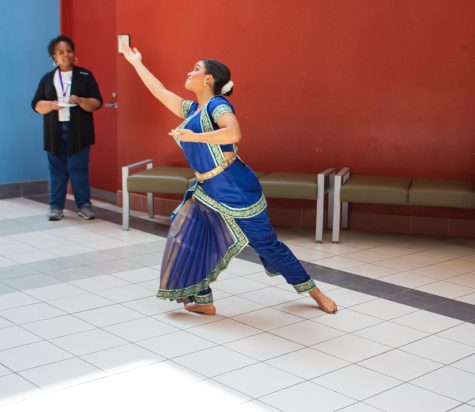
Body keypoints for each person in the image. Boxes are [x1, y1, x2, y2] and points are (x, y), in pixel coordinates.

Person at [122, 45, 337, 315]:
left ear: (209, 79)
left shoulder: (217, 105)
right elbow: (160, 92)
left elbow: (233, 133)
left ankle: (315, 292)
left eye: (196, 69)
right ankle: (203, 301)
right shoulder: (192, 110)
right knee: (186, 234)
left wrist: (195, 137)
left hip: (236, 190)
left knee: (268, 246)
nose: (190, 72)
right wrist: (136, 63)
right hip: (208, 189)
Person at [32, 35, 102, 221]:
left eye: (69, 51)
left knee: (78, 169)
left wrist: (79, 100)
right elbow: (36, 105)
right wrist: (51, 105)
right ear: (54, 56)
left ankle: (84, 205)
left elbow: (96, 103)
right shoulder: (48, 79)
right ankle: (56, 207)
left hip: (79, 132)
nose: (66, 55)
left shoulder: (85, 76)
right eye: (61, 52)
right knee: (57, 170)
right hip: (55, 133)